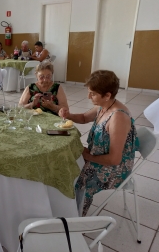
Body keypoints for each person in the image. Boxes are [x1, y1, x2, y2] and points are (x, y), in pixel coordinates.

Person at [59, 70, 139, 216]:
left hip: (115, 169)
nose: (89, 97)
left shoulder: (118, 117)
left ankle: (75, 218)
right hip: (100, 157)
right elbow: (83, 118)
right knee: (65, 163)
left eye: (93, 94)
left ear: (107, 95)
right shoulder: (104, 105)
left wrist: (87, 156)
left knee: (76, 174)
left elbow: (115, 159)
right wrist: (68, 114)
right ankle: (65, 206)